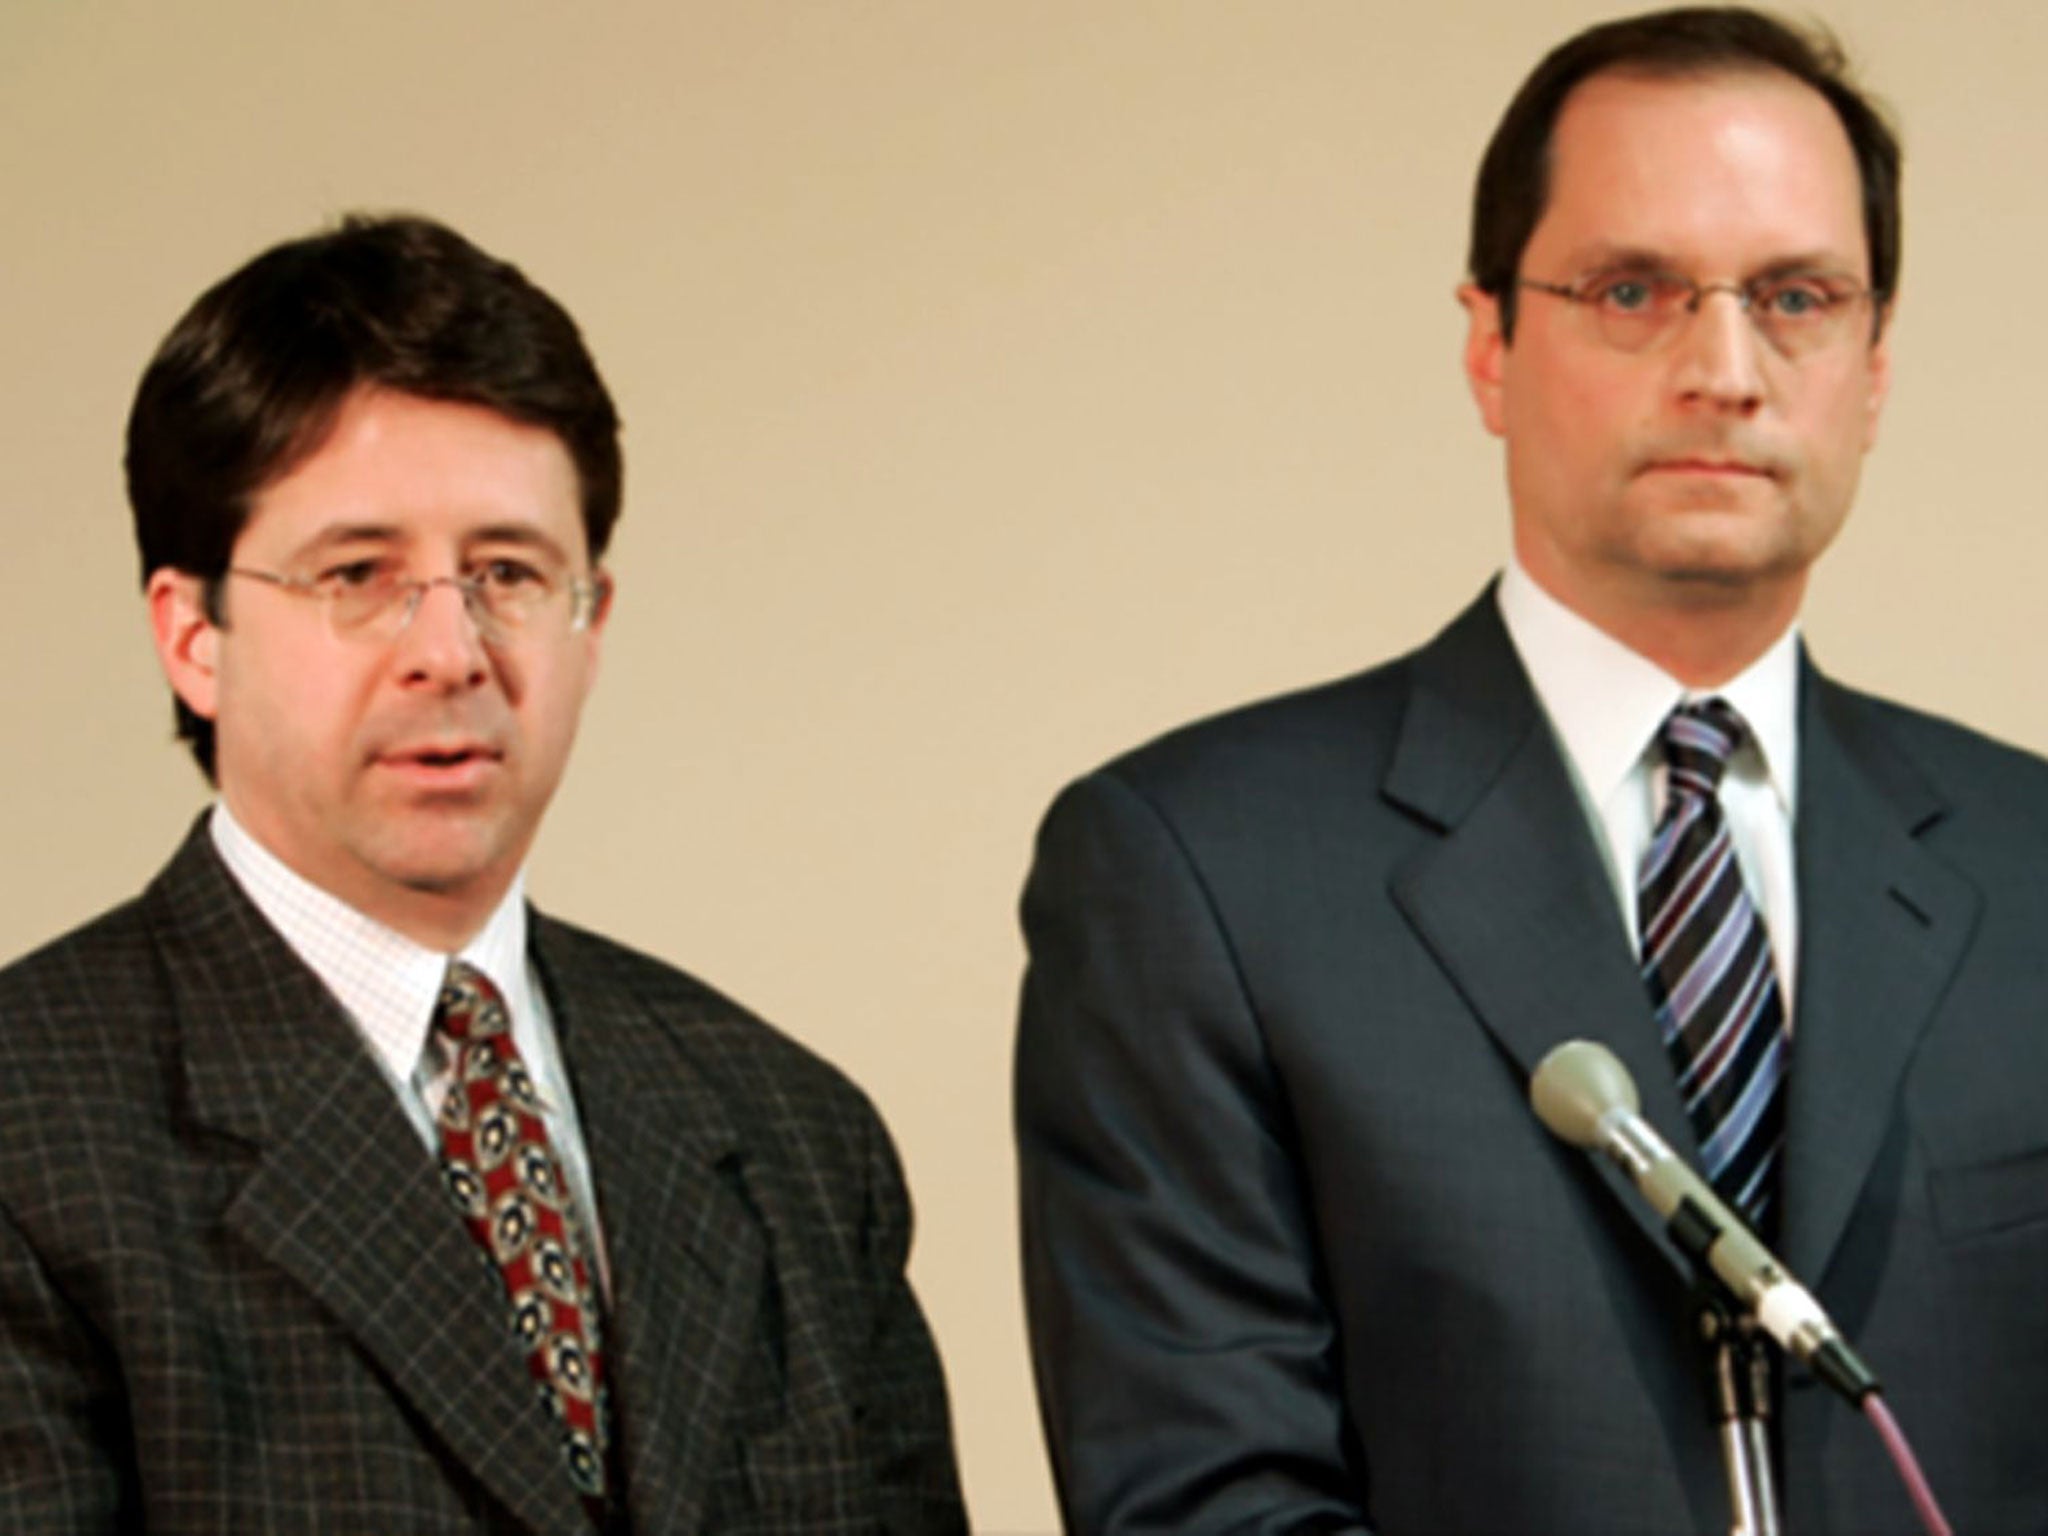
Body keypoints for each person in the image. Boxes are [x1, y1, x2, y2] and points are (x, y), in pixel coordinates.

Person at [1015, 8, 2048, 1533]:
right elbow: (1209, 1503)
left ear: (1875, 367)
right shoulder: (1200, 871)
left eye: (1797, 297)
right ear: (1491, 344)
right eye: (1634, 290)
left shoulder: (2030, 864)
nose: (1726, 367)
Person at [0, 214, 966, 1534]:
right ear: (193, 636)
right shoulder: (29, 1133)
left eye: (508, 572)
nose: (449, 650)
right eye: (360, 575)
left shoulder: (798, 1132)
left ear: (591, 622)